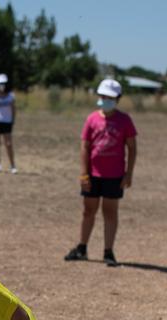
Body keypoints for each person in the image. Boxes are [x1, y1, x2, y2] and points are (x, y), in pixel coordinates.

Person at [64, 78, 138, 267]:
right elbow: (84, 147)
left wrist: (129, 173)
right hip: (92, 175)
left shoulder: (124, 120)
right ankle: (82, 248)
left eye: (110, 97)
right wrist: (83, 173)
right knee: (88, 211)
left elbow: (132, 147)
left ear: (117, 99)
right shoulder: (92, 119)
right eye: (103, 96)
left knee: (110, 212)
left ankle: (108, 251)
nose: (105, 100)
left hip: (114, 176)